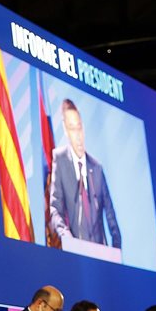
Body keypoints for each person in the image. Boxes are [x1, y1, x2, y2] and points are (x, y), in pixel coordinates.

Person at [48, 98, 122, 249]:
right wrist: (66, 237)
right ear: (65, 130)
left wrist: (116, 251)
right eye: (72, 129)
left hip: (101, 255)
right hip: (75, 253)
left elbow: (111, 218)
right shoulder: (60, 160)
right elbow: (55, 209)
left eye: (79, 127)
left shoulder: (97, 168)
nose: (78, 135)